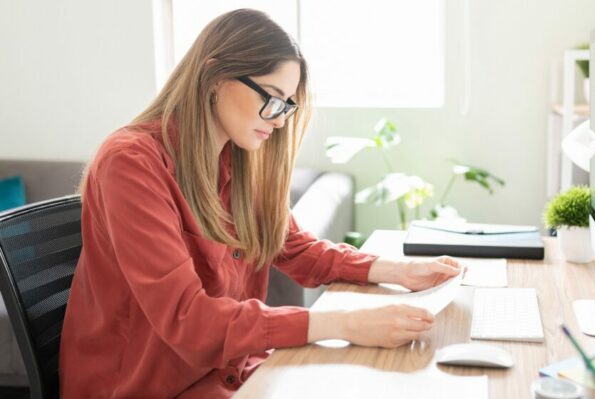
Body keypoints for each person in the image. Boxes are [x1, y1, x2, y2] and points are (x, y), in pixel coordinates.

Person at [59, 8, 463, 398]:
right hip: (147, 388)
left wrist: (400, 270)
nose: (280, 119)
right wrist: (346, 323)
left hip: (229, 373)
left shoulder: (235, 159)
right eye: (271, 98)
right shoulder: (131, 162)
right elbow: (189, 321)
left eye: (287, 104)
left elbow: (296, 248)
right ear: (214, 76)